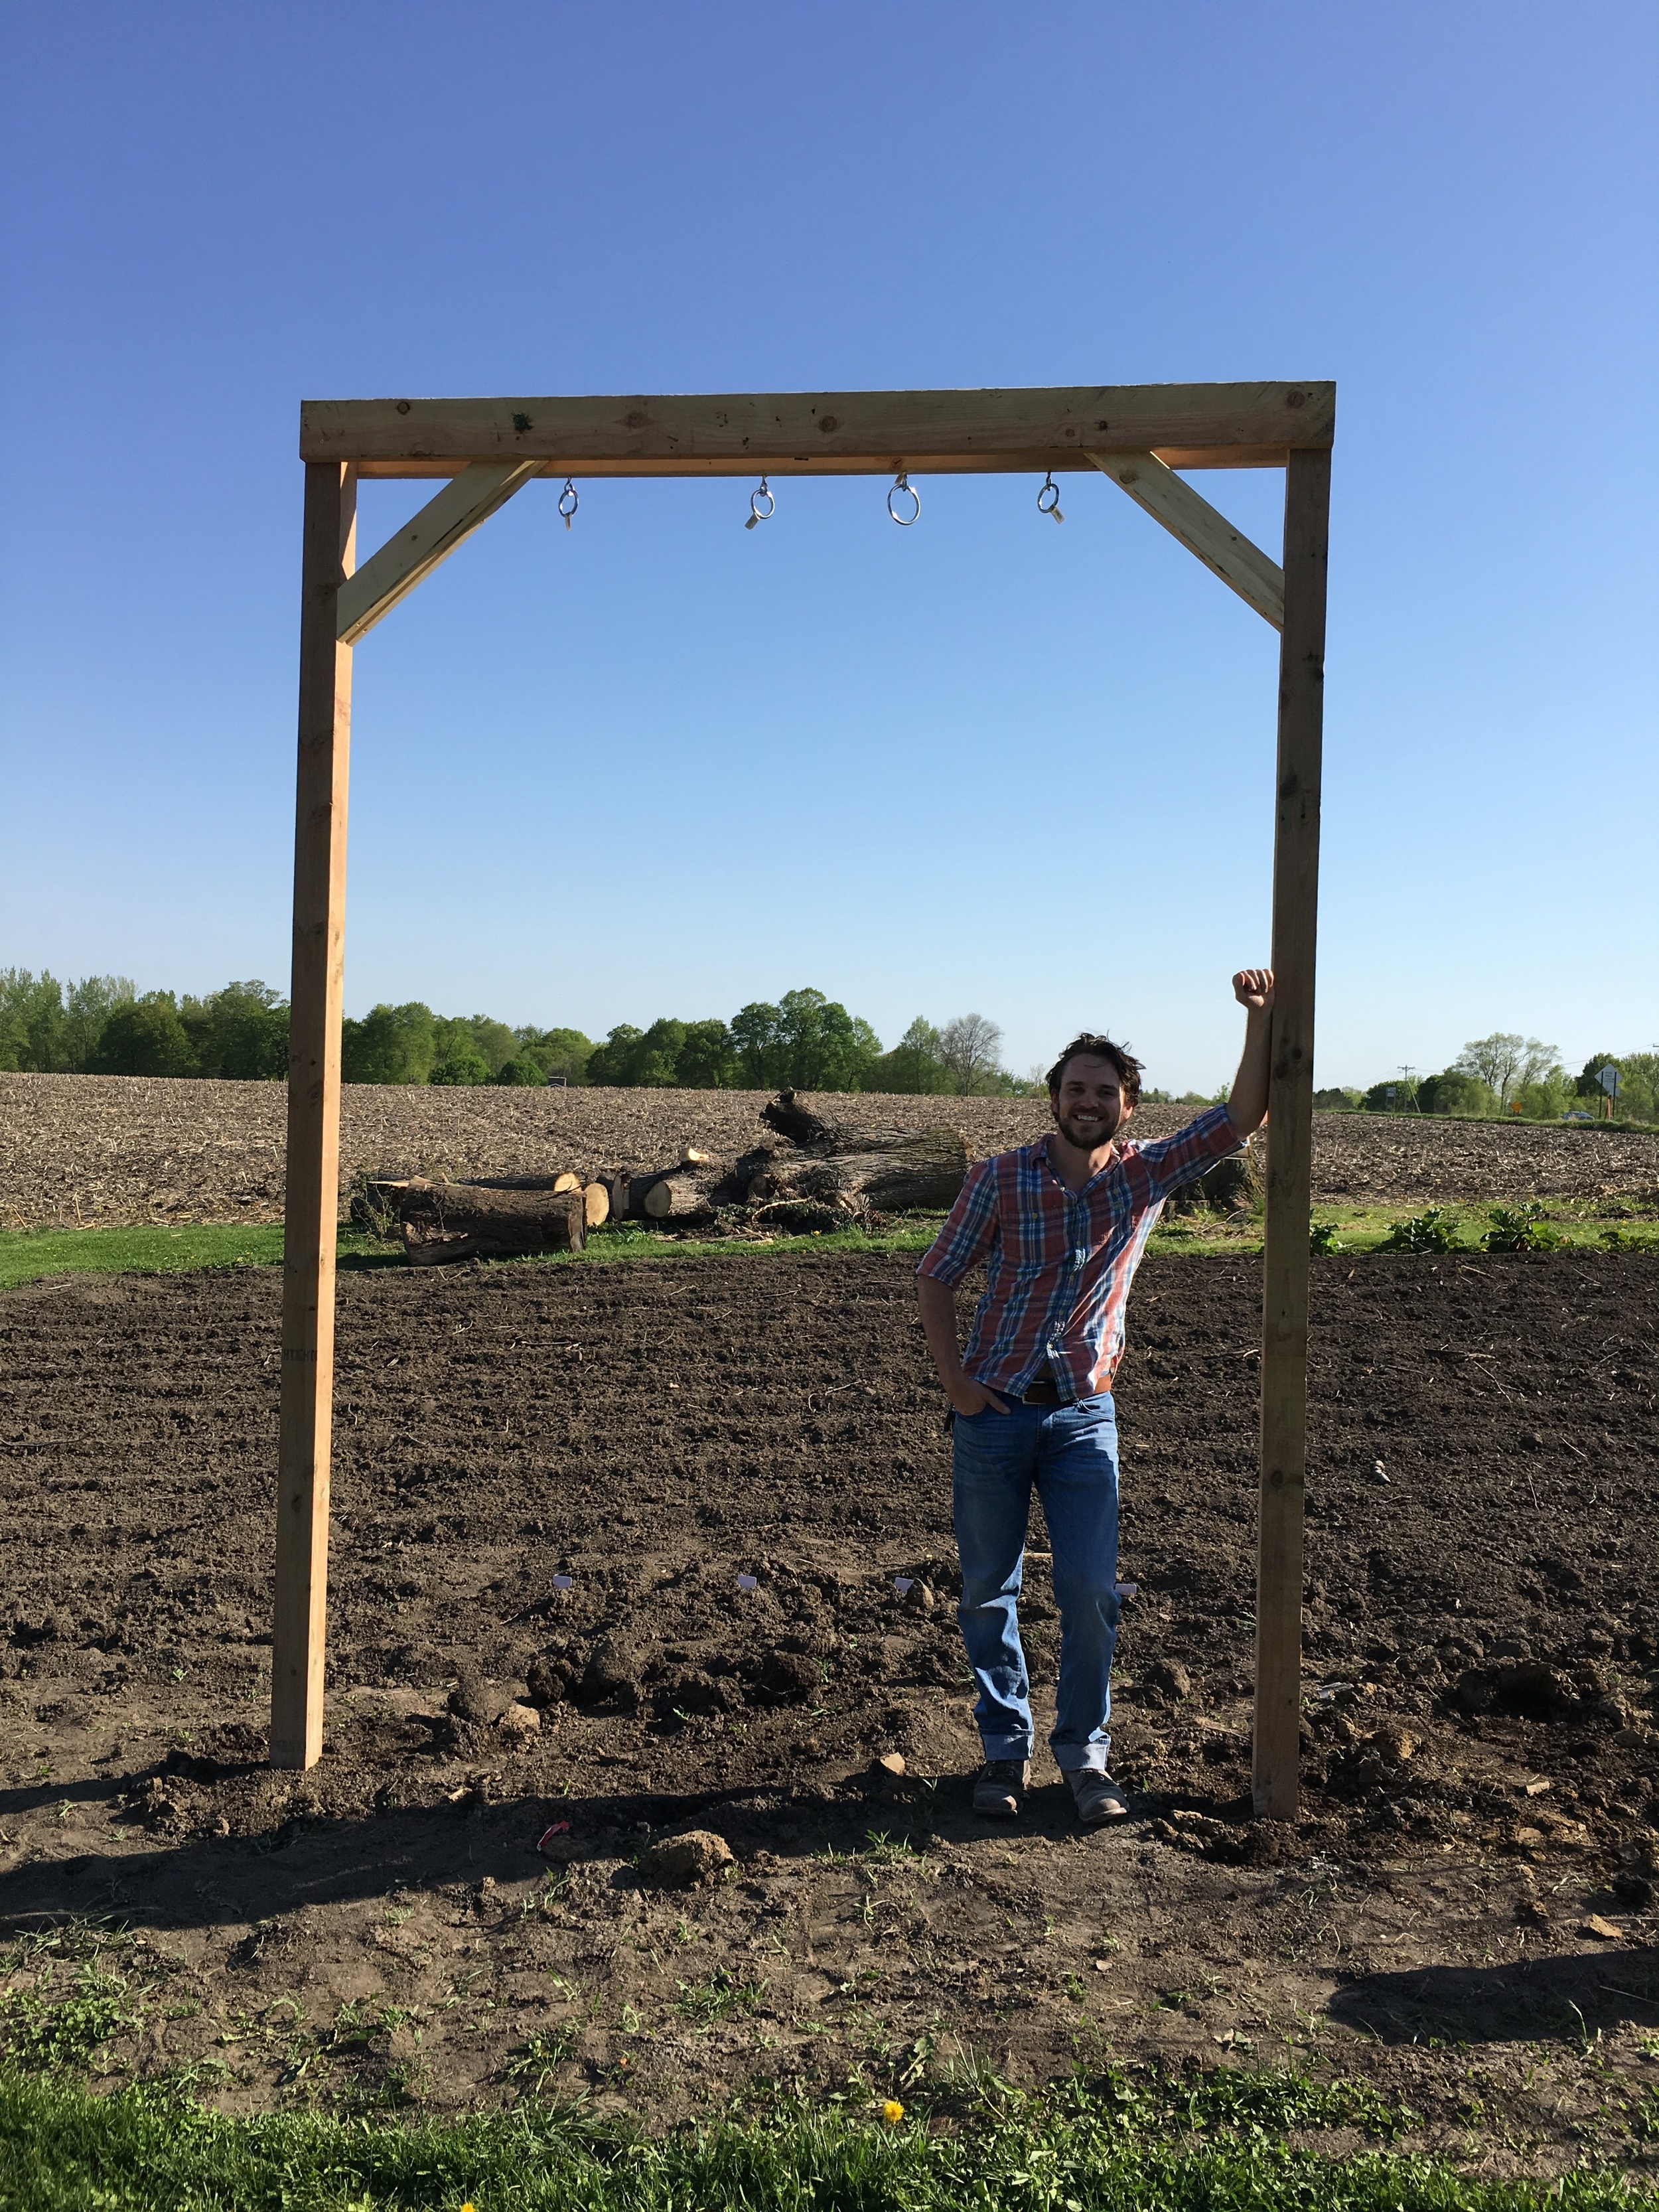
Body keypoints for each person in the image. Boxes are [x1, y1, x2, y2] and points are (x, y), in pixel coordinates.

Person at [914, 970, 1274, 1826]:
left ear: (1128, 1105)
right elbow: (936, 1277)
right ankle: (1004, 1752)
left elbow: (1240, 1121)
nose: (1088, 1102)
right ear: (1054, 1097)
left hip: (1084, 1417)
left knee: (1088, 1589)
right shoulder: (1000, 1180)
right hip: (994, 1413)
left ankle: (1084, 1758)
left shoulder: (1143, 1178)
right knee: (985, 1588)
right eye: (1075, 1088)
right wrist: (959, 1385)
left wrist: (1259, 1021)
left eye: (1104, 1092)